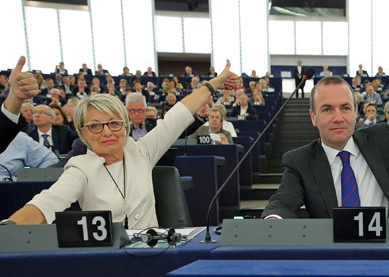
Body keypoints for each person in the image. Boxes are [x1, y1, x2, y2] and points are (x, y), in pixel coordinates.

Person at [4, 60, 237, 227]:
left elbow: (179, 114)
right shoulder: (80, 167)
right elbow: (47, 203)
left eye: (114, 123)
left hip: (156, 252)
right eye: (95, 126)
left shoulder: (142, 150)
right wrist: (8, 231)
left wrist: (215, 83)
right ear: (83, 133)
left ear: (125, 126)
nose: (107, 132)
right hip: (108, 260)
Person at [261, 73, 389, 225]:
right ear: (313, 117)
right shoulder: (300, 160)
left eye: (345, 108)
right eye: (327, 109)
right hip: (335, 259)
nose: (338, 117)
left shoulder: (383, 139)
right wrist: (272, 222)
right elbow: (282, 204)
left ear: (355, 112)